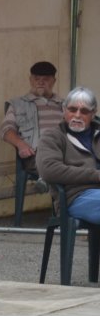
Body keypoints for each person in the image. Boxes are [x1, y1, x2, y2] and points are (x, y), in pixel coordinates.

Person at [36, 87, 100, 225]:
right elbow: (49, 170)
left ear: (93, 113)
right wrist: (96, 175)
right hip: (75, 197)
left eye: (84, 111)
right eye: (72, 109)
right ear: (64, 110)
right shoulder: (52, 136)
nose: (77, 115)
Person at [1, 61, 62, 178]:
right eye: (36, 78)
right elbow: (6, 129)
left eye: (46, 79)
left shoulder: (65, 105)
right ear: (30, 80)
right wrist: (20, 144)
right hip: (37, 153)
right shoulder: (18, 104)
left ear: (54, 81)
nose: (40, 82)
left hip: (64, 151)